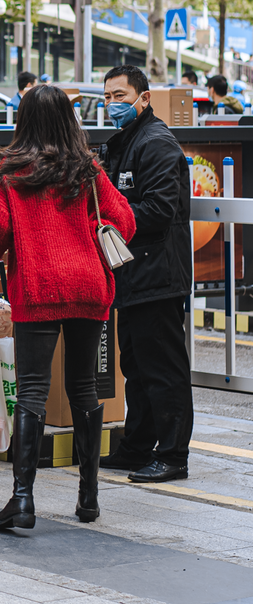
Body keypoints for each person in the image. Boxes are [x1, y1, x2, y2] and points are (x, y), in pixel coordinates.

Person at [0, 83, 135, 530]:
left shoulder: (9, 170)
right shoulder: (88, 168)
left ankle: (22, 500)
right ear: (68, 119)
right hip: (88, 287)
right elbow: (125, 221)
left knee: (33, 391)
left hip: (38, 287)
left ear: (24, 120)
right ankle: (89, 500)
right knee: (84, 389)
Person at [98, 65, 193, 482]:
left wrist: (109, 218)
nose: (113, 105)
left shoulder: (156, 144)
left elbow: (158, 210)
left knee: (163, 369)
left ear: (144, 98)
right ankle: (136, 448)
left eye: (121, 96)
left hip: (158, 276)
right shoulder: (125, 141)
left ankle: (173, 455)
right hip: (133, 276)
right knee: (134, 367)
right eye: (107, 98)